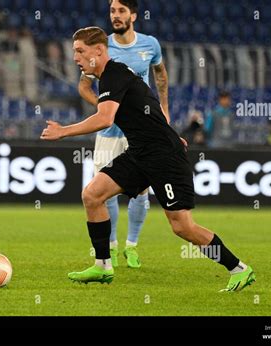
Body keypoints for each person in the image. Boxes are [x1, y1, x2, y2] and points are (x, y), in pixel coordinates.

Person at [41, 27, 255, 292]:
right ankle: (103, 265)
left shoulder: (114, 74)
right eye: (74, 51)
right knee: (93, 195)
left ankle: (239, 269)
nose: (75, 57)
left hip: (163, 157)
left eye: (80, 51)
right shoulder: (113, 76)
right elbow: (148, 105)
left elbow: (105, 118)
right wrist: (169, 132)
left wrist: (64, 131)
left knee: (182, 226)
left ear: (99, 50)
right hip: (140, 152)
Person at [77, 0, 171, 269]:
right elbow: (83, 86)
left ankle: (132, 245)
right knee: (104, 193)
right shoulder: (101, 47)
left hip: (140, 131)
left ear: (133, 15)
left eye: (120, 11)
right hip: (109, 132)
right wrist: (104, 106)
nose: (115, 16)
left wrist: (164, 109)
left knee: (141, 191)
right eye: (112, 12)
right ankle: (112, 247)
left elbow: (161, 76)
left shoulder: (150, 45)